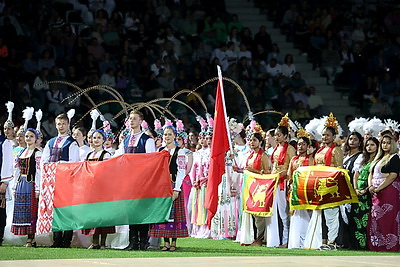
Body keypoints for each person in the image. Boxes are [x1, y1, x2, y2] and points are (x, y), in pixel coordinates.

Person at [115, 110, 156, 251]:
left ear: (140, 121)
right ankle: (133, 242)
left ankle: (143, 241)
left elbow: (151, 161)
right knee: (131, 210)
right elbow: (118, 158)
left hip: (142, 181)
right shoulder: (125, 140)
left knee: (142, 210)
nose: (131, 121)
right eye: (130, 119)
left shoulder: (147, 140)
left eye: (134, 119)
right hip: (128, 181)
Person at [41, 112, 80, 248]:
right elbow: (44, 161)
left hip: (66, 181)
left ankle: (66, 240)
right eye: (59, 124)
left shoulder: (72, 143)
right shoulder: (50, 142)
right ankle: (57, 239)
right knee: (55, 210)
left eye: (63, 123)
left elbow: (74, 163)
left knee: (67, 210)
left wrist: (58, 166)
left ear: (68, 125)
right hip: (52, 182)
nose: (61, 126)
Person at [305, 113, 344, 250]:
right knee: (319, 215)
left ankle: (332, 242)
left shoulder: (336, 150)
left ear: (334, 137)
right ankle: (322, 241)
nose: (325, 137)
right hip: (319, 186)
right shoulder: (320, 150)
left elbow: (340, 169)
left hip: (331, 186)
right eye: (323, 135)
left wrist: (330, 179)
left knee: (331, 215)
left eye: (327, 135)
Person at [148, 122, 188, 251]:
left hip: (173, 184)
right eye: (165, 134)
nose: (167, 137)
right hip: (162, 186)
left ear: (175, 136)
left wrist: (177, 188)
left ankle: (173, 243)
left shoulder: (180, 151)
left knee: (175, 214)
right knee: (163, 214)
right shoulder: (160, 151)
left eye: (170, 134)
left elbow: (181, 171)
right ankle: (165, 242)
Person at [266, 114, 296, 248]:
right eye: (275, 135)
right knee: (276, 212)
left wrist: (283, 175)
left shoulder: (290, 149)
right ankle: (276, 240)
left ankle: (285, 241)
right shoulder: (276, 149)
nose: (276, 137)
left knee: (284, 213)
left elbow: (293, 166)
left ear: (285, 136)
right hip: (274, 182)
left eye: (279, 135)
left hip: (284, 183)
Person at [367, 134, 400, 251]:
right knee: (376, 218)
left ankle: (389, 245)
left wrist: (379, 188)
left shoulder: (394, 157)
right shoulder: (378, 158)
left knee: (388, 218)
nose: (385, 145)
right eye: (383, 142)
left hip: (388, 192)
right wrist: (371, 186)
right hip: (375, 192)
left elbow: (392, 176)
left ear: (393, 144)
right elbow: (370, 173)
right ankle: (377, 244)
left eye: (388, 143)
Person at [82, 130, 113, 249]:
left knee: (103, 216)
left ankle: (103, 243)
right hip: (91, 188)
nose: (96, 140)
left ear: (103, 140)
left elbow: (108, 172)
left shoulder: (106, 155)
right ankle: (95, 242)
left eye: (99, 138)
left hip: (102, 188)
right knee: (93, 215)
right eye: (94, 138)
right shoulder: (89, 155)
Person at [11, 128, 42, 247]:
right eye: (27, 136)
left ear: (36, 139)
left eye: (31, 136)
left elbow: (39, 172)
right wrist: (14, 186)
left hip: (31, 183)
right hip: (21, 183)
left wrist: (38, 189)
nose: (28, 138)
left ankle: (31, 238)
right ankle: (27, 237)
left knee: (31, 211)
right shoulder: (21, 152)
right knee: (23, 210)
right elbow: (16, 169)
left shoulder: (37, 153)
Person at [243, 123, 271, 246]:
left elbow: (268, 172)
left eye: (254, 140)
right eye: (250, 140)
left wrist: (254, 172)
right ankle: (254, 237)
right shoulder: (251, 155)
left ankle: (260, 238)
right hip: (250, 186)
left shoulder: (263, 156)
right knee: (252, 214)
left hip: (261, 187)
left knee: (259, 214)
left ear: (260, 142)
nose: (251, 142)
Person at [348, 137, 378, 250]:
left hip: (368, 193)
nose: (369, 147)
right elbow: (356, 174)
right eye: (367, 145)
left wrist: (365, 190)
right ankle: (354, 245)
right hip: (357, 192)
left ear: (377, 146)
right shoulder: (362, 158)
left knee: (365, 219)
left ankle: (364, 245)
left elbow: (373, 177)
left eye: (372, 145)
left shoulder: (378, 160)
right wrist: (356, 189)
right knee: (354, 218)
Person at [287, 127, 314, 249]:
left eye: (303, 144)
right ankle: (295, 243)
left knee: (305, 216)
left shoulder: (310, 159)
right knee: (295, 217)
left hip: (305, 191)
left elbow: (312, 176)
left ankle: (305, 242)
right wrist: (290, 185)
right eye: (299, 144)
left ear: (308, 146)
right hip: (294, 191)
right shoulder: (294, 159)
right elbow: (289, 175)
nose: (300, 146)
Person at [337, 131, 364, 248]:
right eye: (350, 139)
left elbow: (357, 174)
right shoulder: (346, 155)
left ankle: (353, 243)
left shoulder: (361, 156)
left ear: (359, 142)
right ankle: (344, 242)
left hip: (352, 188)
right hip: (342, 188)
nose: (352, 141)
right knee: (342, 216)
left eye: (355, 139)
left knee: (351, 216)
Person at [0, 102, 16, 246]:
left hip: (4, 180)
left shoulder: (6, 143)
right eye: (5, 128)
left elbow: (8, 163)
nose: (6, 131)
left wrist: (4, 182)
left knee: (2, 207)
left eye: (9, 128)